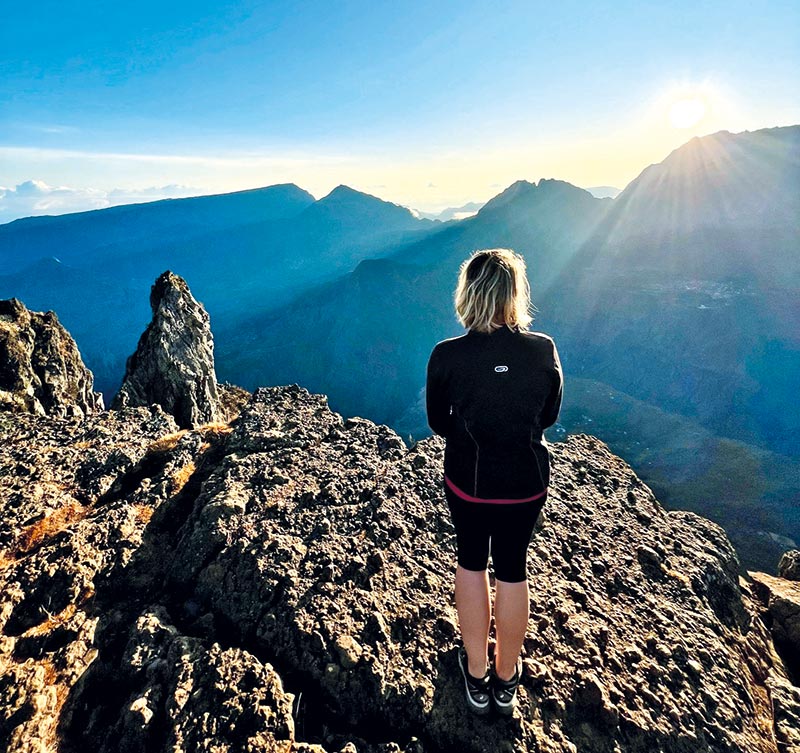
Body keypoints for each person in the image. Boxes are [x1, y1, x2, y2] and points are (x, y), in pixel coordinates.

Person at [425, 248, 563, 717]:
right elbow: (549, 415)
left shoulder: (447, 356)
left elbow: (437, 422)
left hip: (469, 480)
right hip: (525, 482)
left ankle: (477, 674)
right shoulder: (543, 349)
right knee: (512, 569)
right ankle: (507, 679)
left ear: (469, 294)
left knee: (470, 563)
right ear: (515, 295)